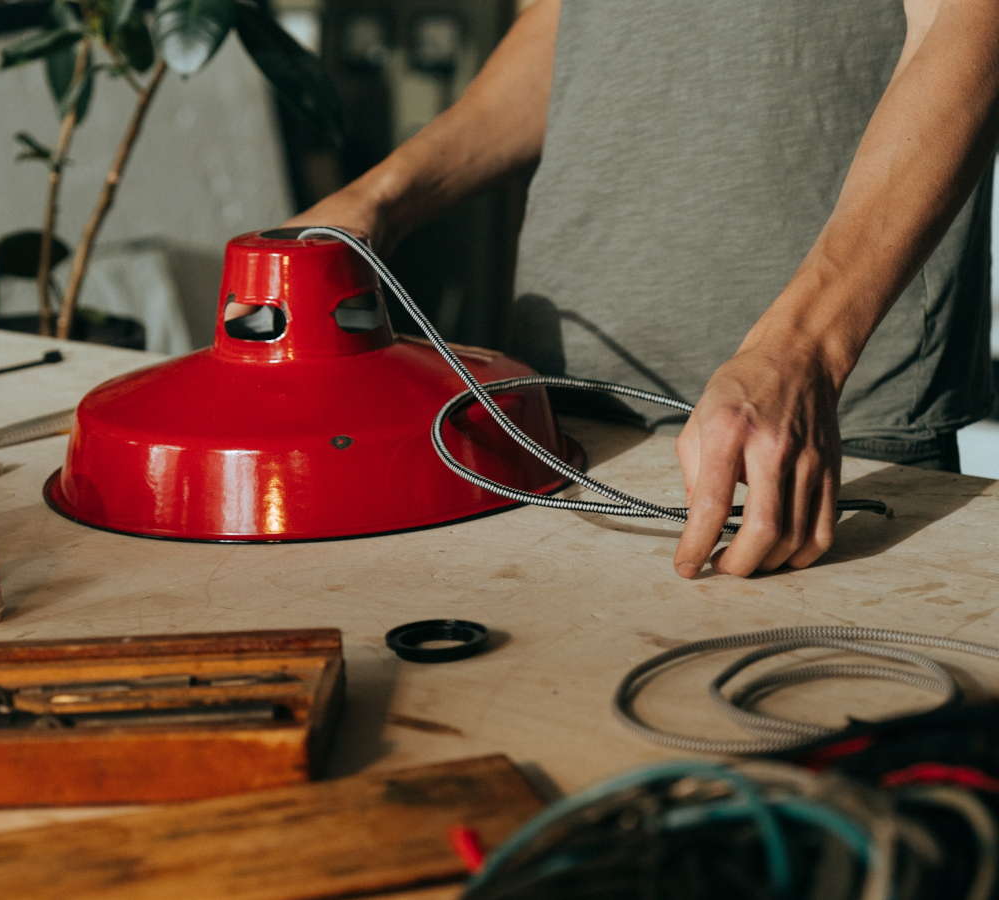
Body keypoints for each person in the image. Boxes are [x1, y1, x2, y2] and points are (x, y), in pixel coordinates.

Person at [285, 0, 998, 578]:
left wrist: (805, 348)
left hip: (813, 417)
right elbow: (570, 26)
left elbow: (968, 23)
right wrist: (379, 198)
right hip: (559, 406)